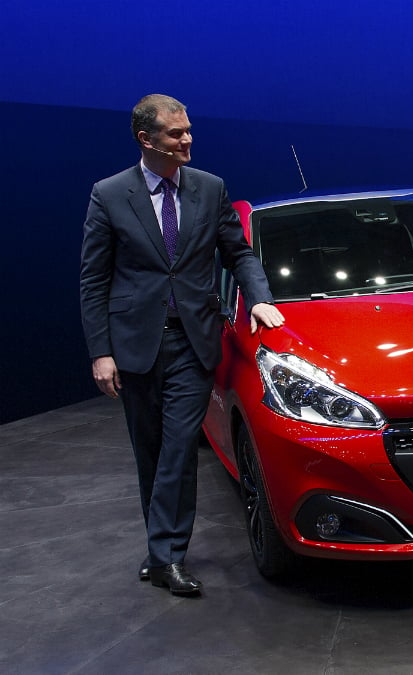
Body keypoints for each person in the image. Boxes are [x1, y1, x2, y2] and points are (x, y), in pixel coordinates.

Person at [80, 94, 285, 595]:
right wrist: (100, 352)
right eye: (176, 134)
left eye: (189, 130)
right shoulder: (109, 194)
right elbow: (93, 280)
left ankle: (168, 555)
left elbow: (239, 253)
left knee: (177, 451)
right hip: (134, 346)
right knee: (148, 452)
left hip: (194, 343)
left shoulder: (210, 189)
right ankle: (159, 550)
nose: (187, 140)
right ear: (146, 140)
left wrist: (258, 298)